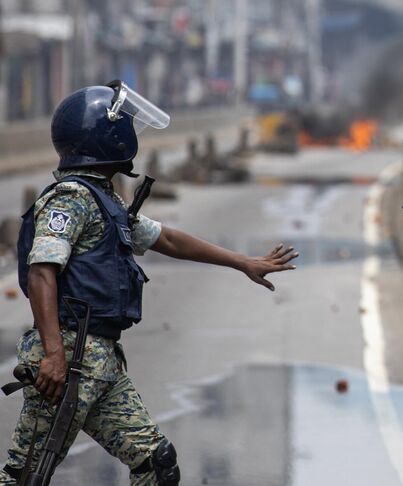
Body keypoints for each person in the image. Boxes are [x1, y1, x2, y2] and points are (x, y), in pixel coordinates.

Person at [1, 81, 298, 485]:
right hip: (67, 361)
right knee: (25, 477)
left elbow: (167, 239)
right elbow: (41, 271)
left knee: (156, 463)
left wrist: (243, 262)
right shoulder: (70, 198)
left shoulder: (104, 200)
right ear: (107, 136)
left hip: (99, 362)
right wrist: (53, 353)